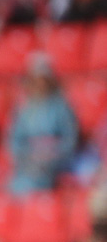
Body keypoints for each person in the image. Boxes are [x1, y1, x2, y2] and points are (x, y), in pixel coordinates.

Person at [8, 54, 79, 195]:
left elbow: (70, 140)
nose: (40, 85)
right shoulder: (24, 108)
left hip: (54, 162)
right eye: (36, 81)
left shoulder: (62, 107)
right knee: (16, 186)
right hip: (29, 162)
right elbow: (14, 141)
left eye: (43, 80)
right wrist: (28, 155)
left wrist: (52, 153)